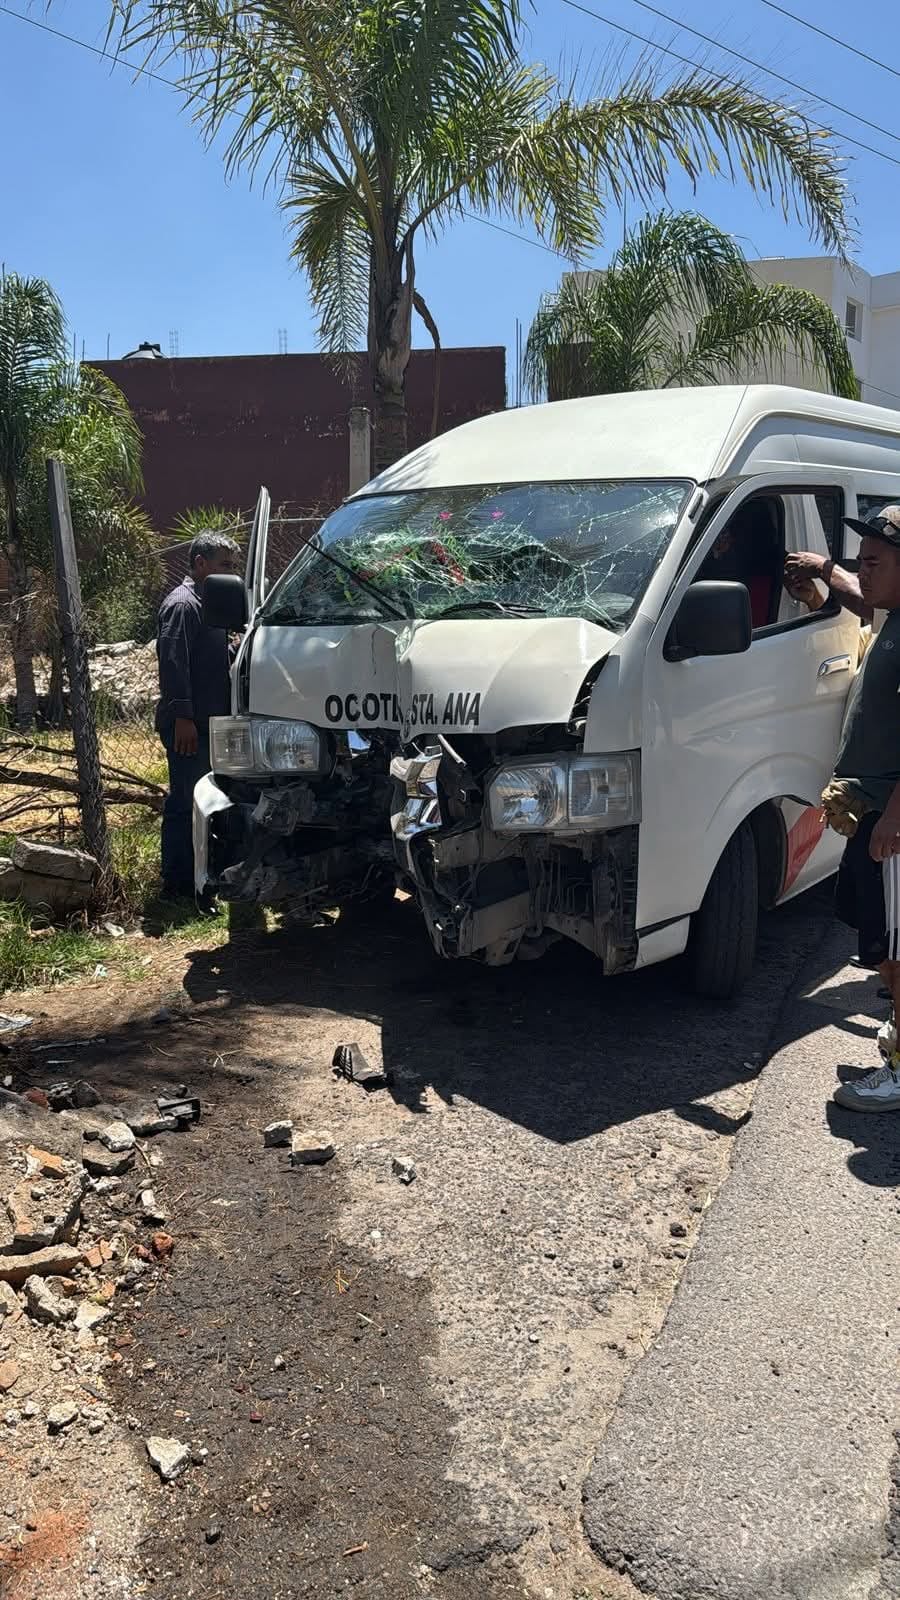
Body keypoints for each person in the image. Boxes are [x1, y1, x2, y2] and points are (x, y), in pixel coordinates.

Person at [809, 504, 900, 1112]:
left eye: (874, 562)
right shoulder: (892, 616)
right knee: (885, 945)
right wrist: (824, 571)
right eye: (859, 562)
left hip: (893, 820)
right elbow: (862, 600)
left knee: (897, 951)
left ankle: (897, 1073)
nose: (861, 573)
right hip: (877, 811)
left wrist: (892, 820)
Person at [156, 531, 240, 900]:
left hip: (211, 723)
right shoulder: (182, 604)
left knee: (212, 800)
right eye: (225, 565)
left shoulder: (212, 602)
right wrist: (183, 718)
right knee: (186, 802)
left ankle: (208, 876)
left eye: (235, 567)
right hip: (190, 725)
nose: (231, 573)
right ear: (200, 564)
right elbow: (173, 664)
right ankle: (177, 886)